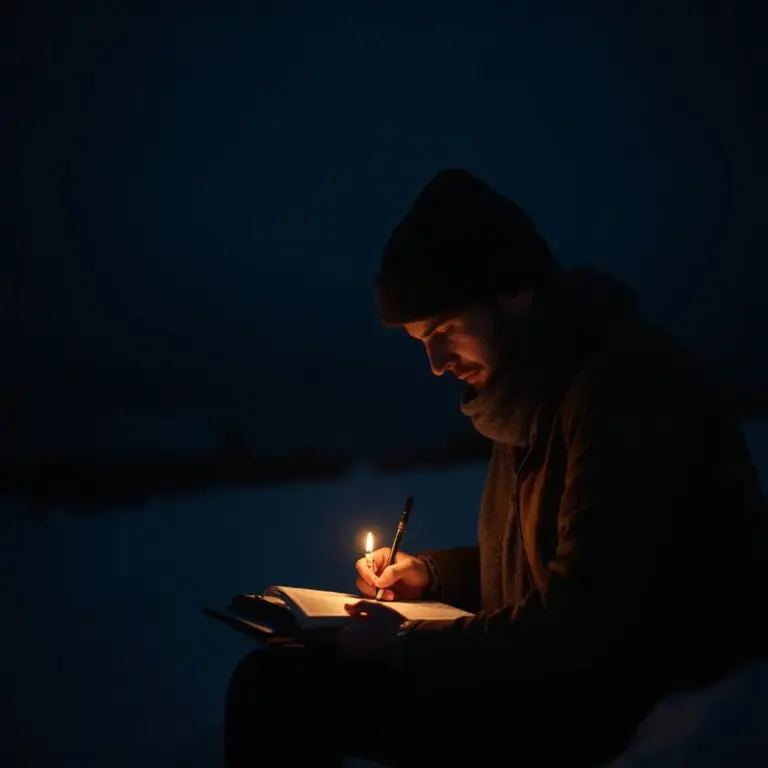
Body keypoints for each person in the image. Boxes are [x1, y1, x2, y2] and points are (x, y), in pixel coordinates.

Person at [224, 170, 768, 767]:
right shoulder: (535, 386)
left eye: (444, 331)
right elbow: (549, 566)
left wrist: (406, 641)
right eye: (419, 340)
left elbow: (583, 619)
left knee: (281, 692)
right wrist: (430, 577)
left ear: (515, 291)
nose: (434, 363)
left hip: (620, 702)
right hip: (566, 683)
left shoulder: (624, 390)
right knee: (287, 673)